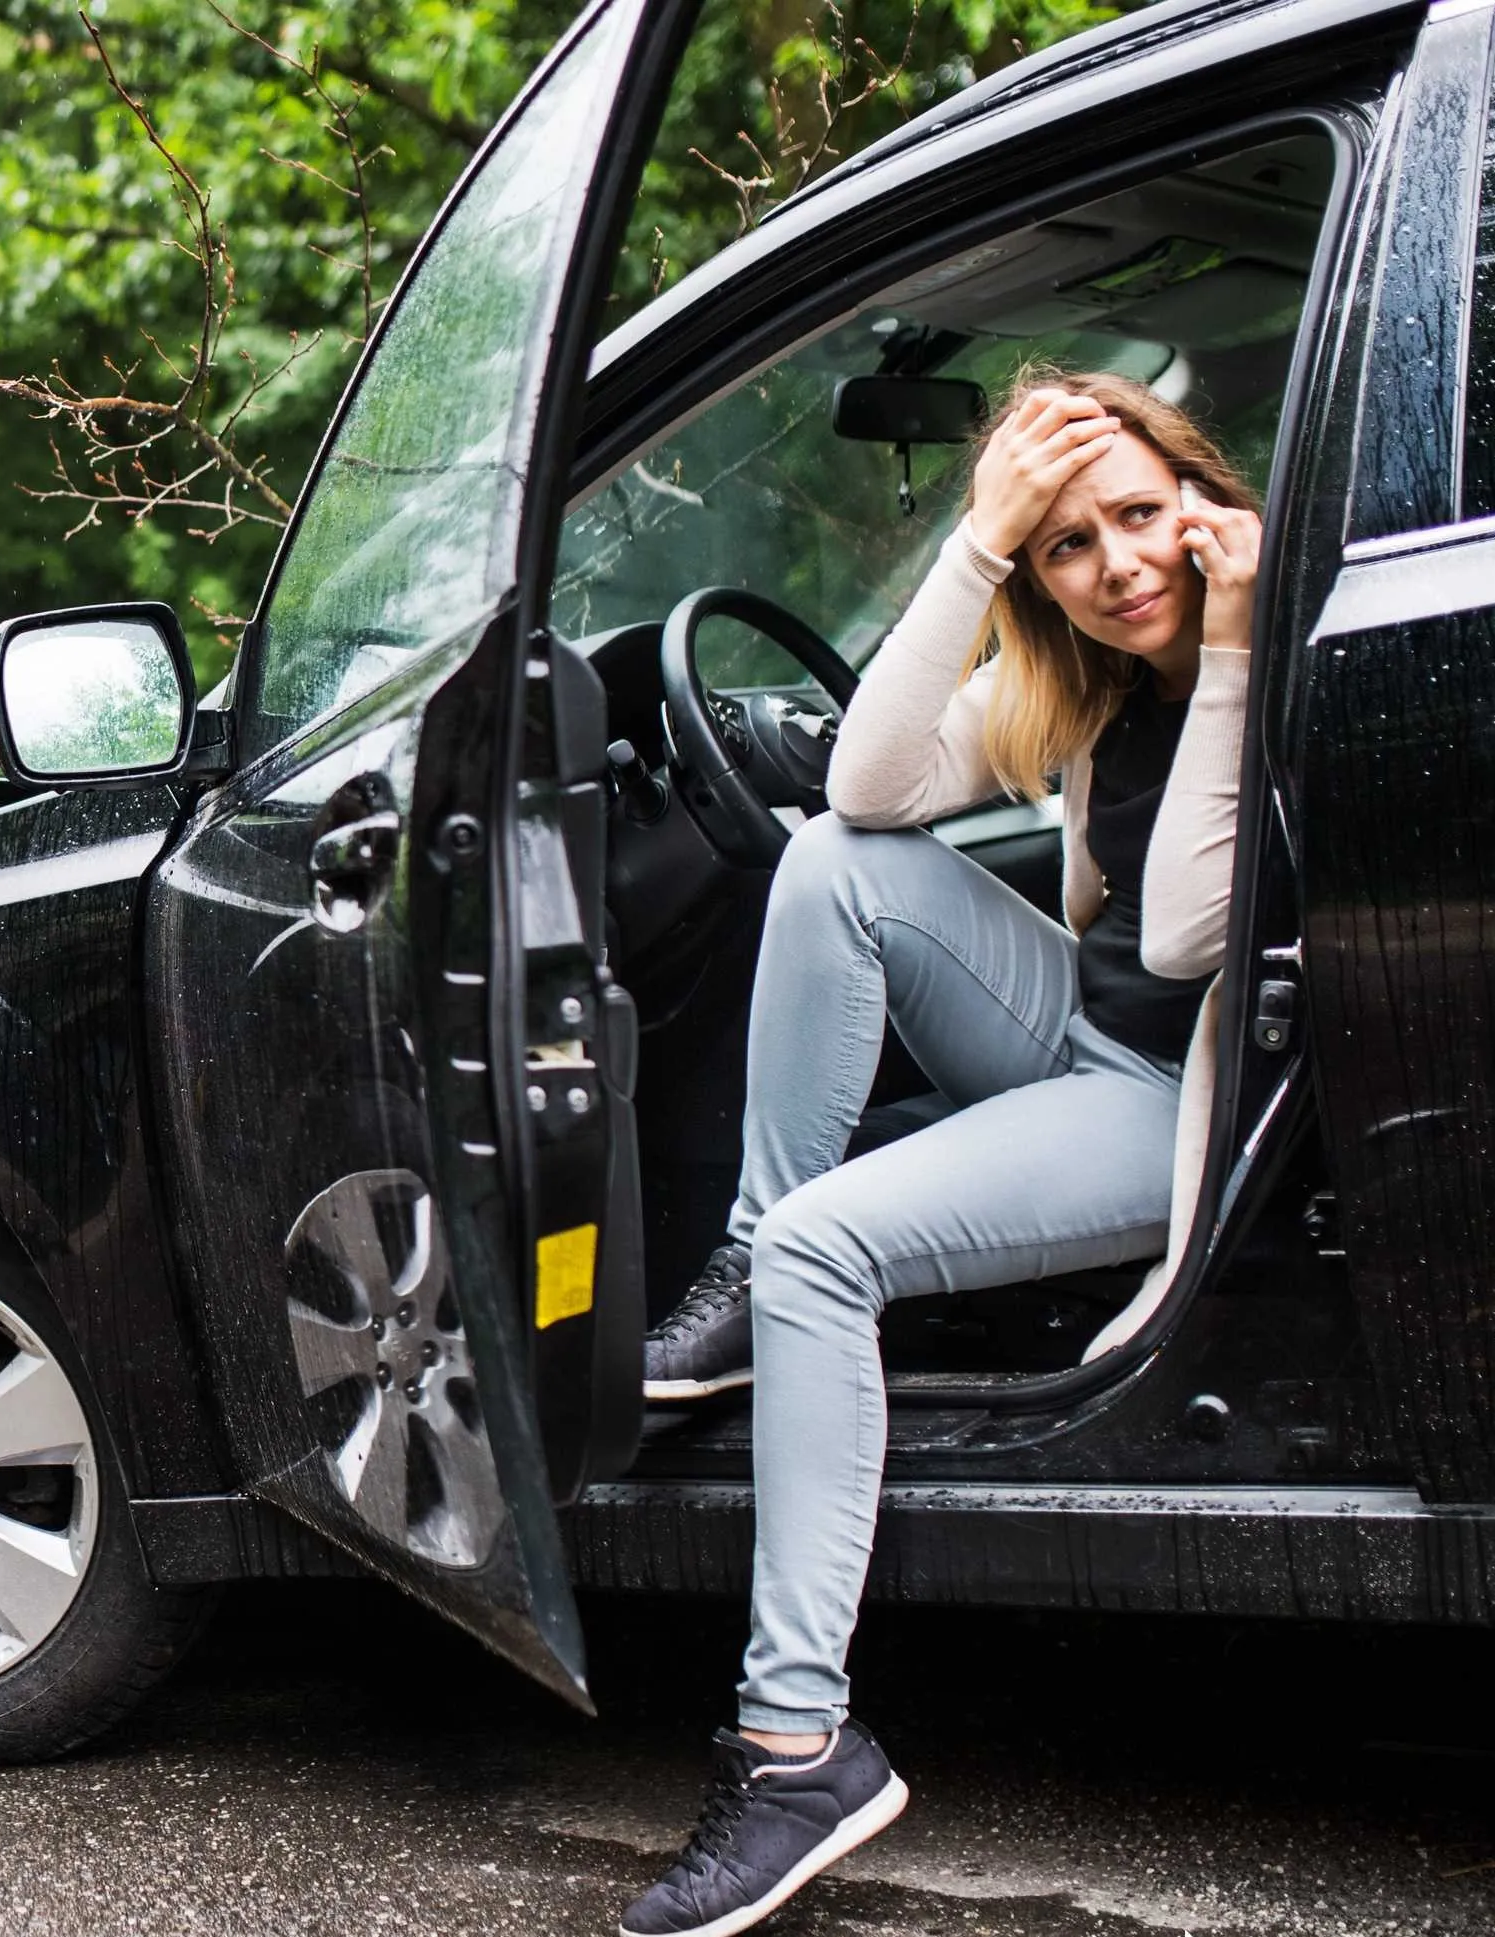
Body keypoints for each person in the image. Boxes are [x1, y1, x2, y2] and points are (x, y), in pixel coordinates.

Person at [616, 369, 1266, 1937]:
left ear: (1197, 495)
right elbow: (862, 791)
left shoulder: (1285, 649)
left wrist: (1232, 641)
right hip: (1078, 1029)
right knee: (837, 864)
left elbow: (1184, 936)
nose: (1113, 565)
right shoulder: (1085, 682)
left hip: (1183, 1096)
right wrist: (970, 545)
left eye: (1134, 516)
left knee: (828, 1253)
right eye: (1064, 547)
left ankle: (793, 1754)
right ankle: (745, 1251)